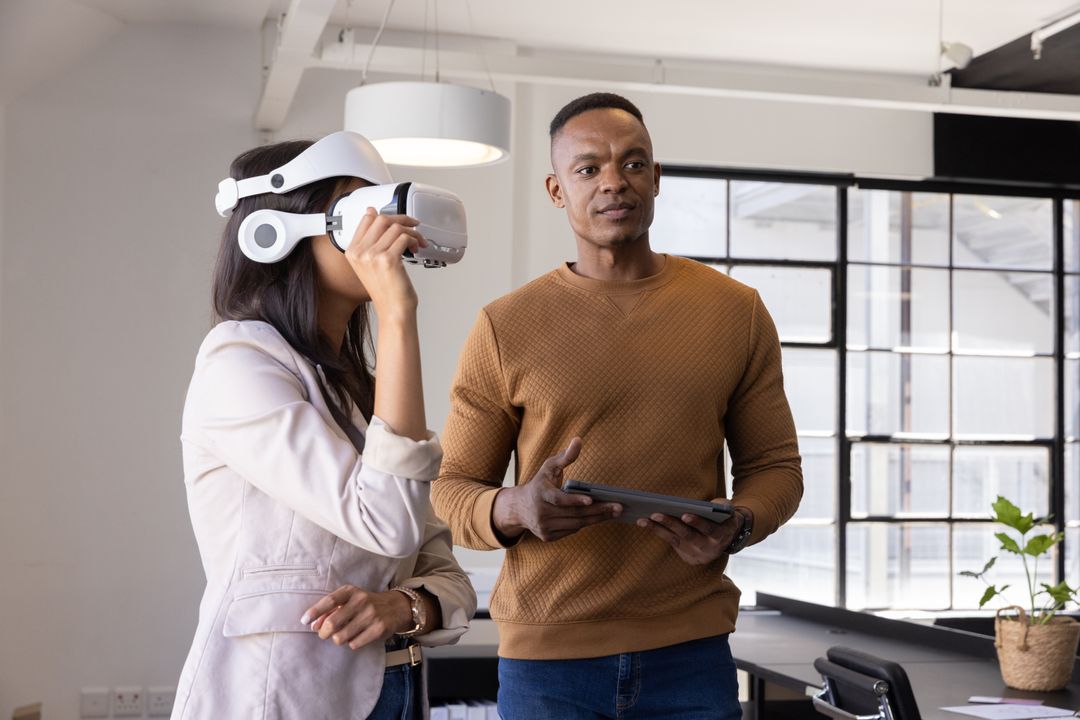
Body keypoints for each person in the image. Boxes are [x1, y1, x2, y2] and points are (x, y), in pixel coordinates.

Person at [430, 93, 803, 719]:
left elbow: (777, 469)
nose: (614, 183)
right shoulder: (504, 325)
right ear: (556, 190)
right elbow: (453, 489)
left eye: (633, 164)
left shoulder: (734, 311)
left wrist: (736, 526)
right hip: (547, 662)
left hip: (691, 654)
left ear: (656, 178)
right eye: (588, 169)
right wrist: (516, 507)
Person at [173, 132, 475, 720]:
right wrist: (397, 314)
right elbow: (387, 523)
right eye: (357, 214)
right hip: (282, 696)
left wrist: (405, 607)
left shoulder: (357, 391)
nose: (379, 235)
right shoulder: (236, 363)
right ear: (273, 234)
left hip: (396, 692)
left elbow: (443, 568)